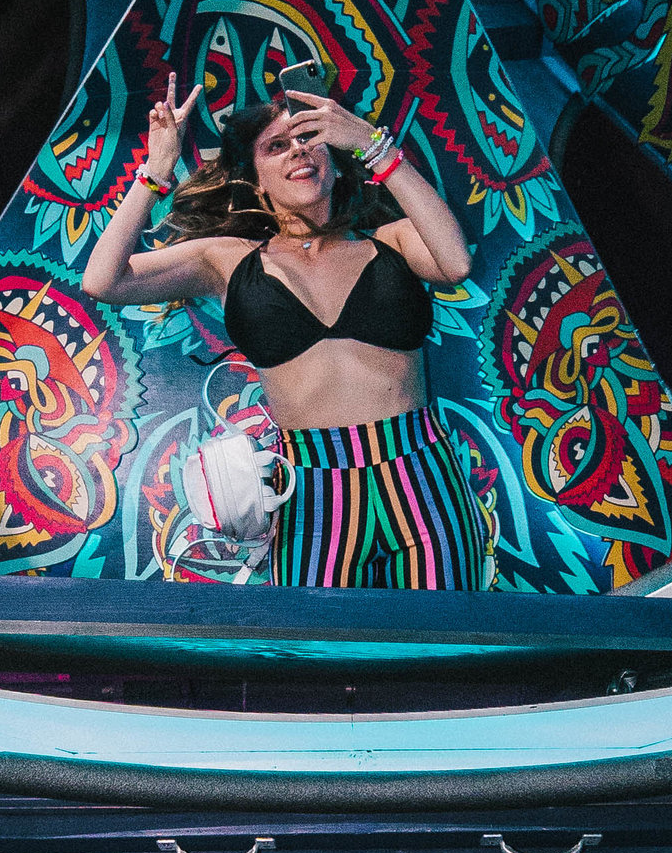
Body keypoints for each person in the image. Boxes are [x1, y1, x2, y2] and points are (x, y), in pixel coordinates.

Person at [81, 76, 488, 587]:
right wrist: (156, 170)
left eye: (310, 138)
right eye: (276, 146)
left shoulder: (393, 241)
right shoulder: (227, 259)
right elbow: (103, 281)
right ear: (255, 180)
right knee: (315, 638)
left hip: (423, 481)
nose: (298, 150)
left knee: (442, 633)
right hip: (313, 495)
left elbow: (455, 264)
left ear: (335, 160)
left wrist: (372, 144)